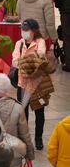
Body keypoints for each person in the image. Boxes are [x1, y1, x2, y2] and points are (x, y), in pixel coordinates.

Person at [12, 19, 54, 151]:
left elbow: (40, 56)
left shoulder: (40, 42)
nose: (24, 32)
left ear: (33, 31)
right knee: (22, 114)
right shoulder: (19, 44)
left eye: (26, 30)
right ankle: (24, 139)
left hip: (37, 85)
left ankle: (38, 139)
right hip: (22, 84)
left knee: (39, 113)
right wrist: (29, 62)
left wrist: (24, 63)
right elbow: (14, 61)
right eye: (22, 30)